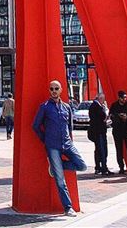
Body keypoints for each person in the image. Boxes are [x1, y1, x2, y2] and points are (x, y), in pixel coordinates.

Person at [33, 80, 87, 217]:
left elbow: (70, 126)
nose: (54, 91)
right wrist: (45, 139)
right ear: (49, 90)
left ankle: (56, 167)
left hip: (67, 143)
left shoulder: (67, 107)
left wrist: (69, 139)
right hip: (53, 145)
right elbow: (35, 126)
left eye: (56, 88)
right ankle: (68, 207)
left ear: (61, 90)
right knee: (60, 180)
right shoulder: (44, 107)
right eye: (51, 88)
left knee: (82, 166)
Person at [88, 93, 113, 175]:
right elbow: (101, 118)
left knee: (99, 150)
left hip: (100, 131)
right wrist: (106, 116)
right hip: (98, 132)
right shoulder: (96, 106)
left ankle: (99, 167)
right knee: (102, 150)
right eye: (103, 99)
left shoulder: (96, 106)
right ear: (100, 98)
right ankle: (103, 168)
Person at [109, 91, 127, 174]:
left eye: (125, 97)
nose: (125, 99)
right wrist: (118, 116)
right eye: (123, 98)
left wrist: (126, 116)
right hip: (117, 130)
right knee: (119, 149)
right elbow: (111, 114)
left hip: (126, 130)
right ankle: (121, 167)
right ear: (119, 98)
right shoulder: (114, 105)